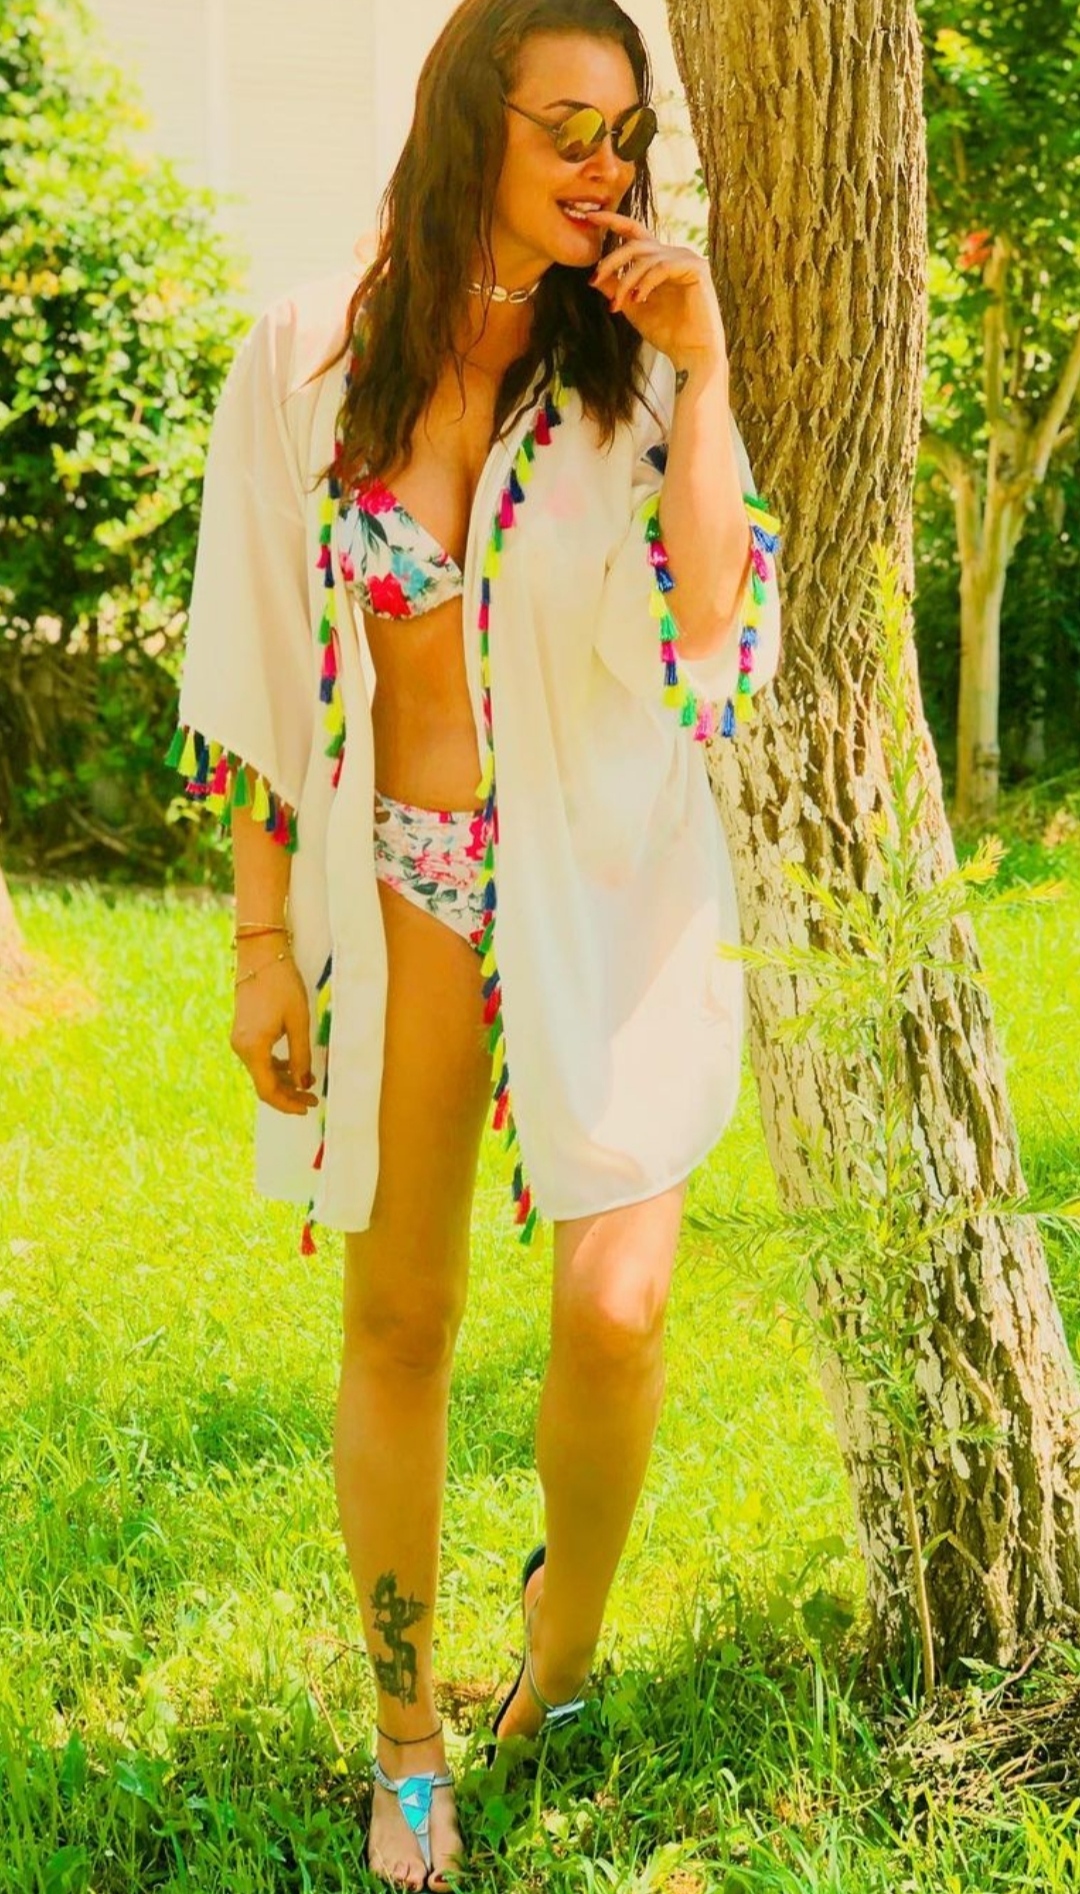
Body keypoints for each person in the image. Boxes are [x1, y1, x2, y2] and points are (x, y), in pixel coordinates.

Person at [168, 0, 781, 1883]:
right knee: (402, 1316)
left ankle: (559, 1653)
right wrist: (261, 937)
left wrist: (708, 371)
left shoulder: (636, 363)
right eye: (565, 128)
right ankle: (409, 1737)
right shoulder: (309, 356)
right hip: (400, 882)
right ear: (468, 124)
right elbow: (262, 656)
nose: (607, 168)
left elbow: (712, 639)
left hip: (611, 875)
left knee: (618, 1307)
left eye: (626, 134)